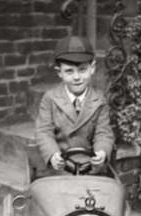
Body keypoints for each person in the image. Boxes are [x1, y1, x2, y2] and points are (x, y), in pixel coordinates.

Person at [35, 35, 114, 174]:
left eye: (82, 70)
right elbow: (44, 132)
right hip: (60, 166)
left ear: (92, 68)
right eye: (69, 71)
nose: (77, 77)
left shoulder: (100, 101)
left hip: (89, 167)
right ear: (59, 72)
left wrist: (101, 153)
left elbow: (103, 133)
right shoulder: (50, 99)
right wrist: (53, 155)